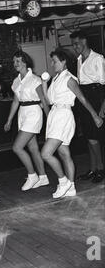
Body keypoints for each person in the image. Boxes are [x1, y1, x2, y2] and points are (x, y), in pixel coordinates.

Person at [41, 50, 103, 199]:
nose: (52, 64)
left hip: (63, 116)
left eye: (54, 61)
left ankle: (63, 182)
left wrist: (95, 116)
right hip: (55, 115)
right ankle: (71, 187)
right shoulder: (56, 78)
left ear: (63, 62)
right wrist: (44, 83)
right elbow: (48, 100)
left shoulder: (69, 79)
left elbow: (83, 99)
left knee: (46, 153)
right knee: (64, 153)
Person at [4, 51, 50, 191]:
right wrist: (9, 120)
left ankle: (32, 175)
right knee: (33, 148)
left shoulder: (35, 80)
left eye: (17, 61)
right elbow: (16, 101)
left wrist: (50, 119)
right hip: (22, 114)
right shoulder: (16, 81)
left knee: (17, 147)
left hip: (34, 113)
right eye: (14, 61)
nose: (15, 64)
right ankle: (43, 177)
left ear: (25, 62)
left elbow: (43, 100)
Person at [70, 30, 105, 183]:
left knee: (94, 138)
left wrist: (103, 109)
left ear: (84, 42)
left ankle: (101, 169)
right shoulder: (78, 60)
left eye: (76, 43)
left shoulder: (98, 59)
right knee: (88, 137)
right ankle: (93, 169)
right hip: (84, 98)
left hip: (97, 98)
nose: (74, 47)